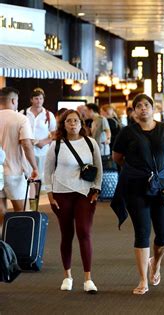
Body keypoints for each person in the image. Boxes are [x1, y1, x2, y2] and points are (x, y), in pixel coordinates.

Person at [112, 94, 164, 295]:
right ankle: (143, 280)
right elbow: (118, 157)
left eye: (146, 105)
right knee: (142, 232)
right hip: (135, 187)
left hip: (162, 186)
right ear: (133, 111)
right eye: (138, 106)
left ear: (153, 109)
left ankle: (156, 262)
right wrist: (136, 170)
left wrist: (159, 170)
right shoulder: (127, 132)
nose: (143, 109)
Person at [44, 109, 103, 293]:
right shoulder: (56, 145)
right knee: (66, 234)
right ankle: (67, 276)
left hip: (85, 193)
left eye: (76, 121)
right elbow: (47, 171)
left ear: (81, 123)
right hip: (62, 193)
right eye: (68, 121)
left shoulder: (90, 142)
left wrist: (97, 189)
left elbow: (98, 167)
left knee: (84, 232)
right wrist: (50, 193)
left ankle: (88, 279)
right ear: (63, 124)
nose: (72, 124)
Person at [0, 87, 38, 219]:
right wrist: (34, 167)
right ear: (13, 100)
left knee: (0, 211)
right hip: (14, 172)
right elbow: (27, 144)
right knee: (20, 212)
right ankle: (18, 239)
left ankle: (2, 238)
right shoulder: (21, 119)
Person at [23, 88, 57, 182]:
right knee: (28, 177)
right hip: (26, 151)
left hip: (43, 151)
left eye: (41, 98)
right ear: (31, 99)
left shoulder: (48, 115)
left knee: (41, 177)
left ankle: (39, 196)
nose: (39, 101)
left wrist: (43, 142)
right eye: (36, 98)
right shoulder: (23, 113)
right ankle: (31, 196)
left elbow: (55, 133)